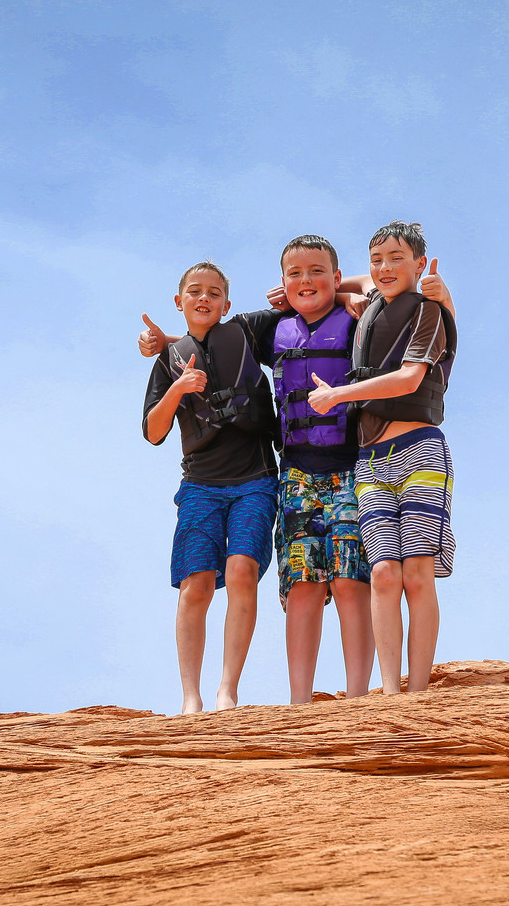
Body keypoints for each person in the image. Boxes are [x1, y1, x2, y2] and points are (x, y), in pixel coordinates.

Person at [140, 237, 455, 704]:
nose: (305, 281)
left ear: (335, 274)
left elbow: (386, 288)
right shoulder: (272, 328)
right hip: (295, 474)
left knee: (350, 580)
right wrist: (162, 342)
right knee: (303, 583)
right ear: (282, 282)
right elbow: (208, 335)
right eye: (294, 274)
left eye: (317, 271)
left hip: (353, 468)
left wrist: (344, 292)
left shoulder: (360, 318)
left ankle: (357, 696)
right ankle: (300, 702)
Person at [307, 221, 456, 695]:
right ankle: (391, 693)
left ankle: (418, 693)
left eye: (397, 258)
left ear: (419, 263)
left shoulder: (429, 311)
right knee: (383, 572)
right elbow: (352, 282)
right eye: (377, 260)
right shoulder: (373, 298)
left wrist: (338, 395)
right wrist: (337, 289)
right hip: (371, 461)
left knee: (417, 571)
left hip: (419, 451)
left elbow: (410, 378)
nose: (385, 268)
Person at [142, 262, 278, 714]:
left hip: (255, 481)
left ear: (227, 303)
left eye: (214, 293)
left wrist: (351, 294)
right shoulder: (168, 360)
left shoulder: (246, 331)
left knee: (241, 571)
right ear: (179, 301)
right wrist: (178, 388)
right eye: (195, 291)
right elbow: (153, 432)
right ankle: (190, 698)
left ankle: (227, 691)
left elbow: (308, 303)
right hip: (200, 484)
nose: (204, 298)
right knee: (195, 584)